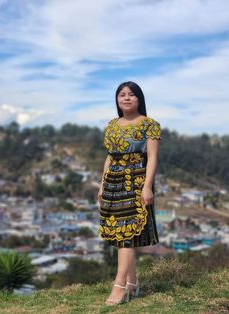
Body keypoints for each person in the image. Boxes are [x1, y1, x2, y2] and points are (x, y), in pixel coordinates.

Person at [97, 81, 161, 306]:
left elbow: (152, 157)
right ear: (117, 100)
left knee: (126, 233)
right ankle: (133, 281)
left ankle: (120, 285)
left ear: (139, 99)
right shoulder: (113, 124)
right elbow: (109, 156)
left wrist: (147, 186)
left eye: (131, 95)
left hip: (135, 181)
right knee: (118, 232)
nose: (126, 98)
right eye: (122, 95)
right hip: (112, 181)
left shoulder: (150, 125)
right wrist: (102, 183)